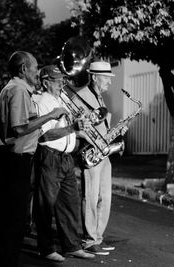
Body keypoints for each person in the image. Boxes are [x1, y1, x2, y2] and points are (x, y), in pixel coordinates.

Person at [0, 51, 67, 267]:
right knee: (13, 222)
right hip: (15, 160)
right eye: (34, 67)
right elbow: (20, 127)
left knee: (8, 221)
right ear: (23, 69)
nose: (37, 72)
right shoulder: (18, 90)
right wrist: (51, 115)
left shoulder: (12, 88)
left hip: (9, 159)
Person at [32, 65, 95, 262]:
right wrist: (72, 128)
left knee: (70, 203)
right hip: (50, 155)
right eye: (58, 81)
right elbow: (45, 135)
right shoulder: (43, 102)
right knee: (45, 206)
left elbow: (71, 127)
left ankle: (72, 245)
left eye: (62, 80)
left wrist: (81, 124)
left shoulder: (61, 100)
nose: (62, 84)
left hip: (66, 157)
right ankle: (46, 248)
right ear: (45, 82)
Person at [76, 61, 115, 255]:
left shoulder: (100, 97)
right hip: (92, 152)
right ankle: (89, 240)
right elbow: (81, 126)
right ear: (94, 77)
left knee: (105, 197)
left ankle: (98, 236)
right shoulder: (82, 96)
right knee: (91, 196)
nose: (109, 82)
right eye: (106, 78)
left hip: (104, 152)